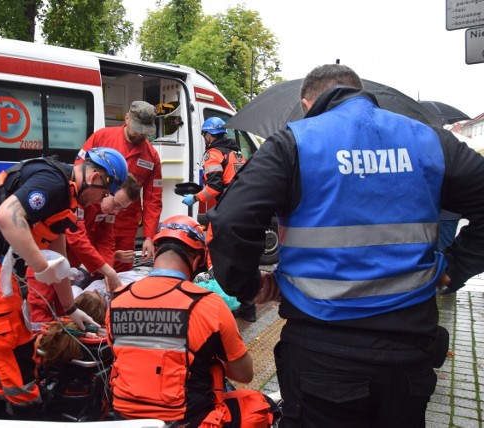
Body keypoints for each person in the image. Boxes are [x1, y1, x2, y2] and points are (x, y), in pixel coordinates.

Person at [207, 64, 484, 427]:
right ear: (360, 91)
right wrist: (455, 268)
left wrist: (249, 287)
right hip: (408, 347)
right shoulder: (429, 140)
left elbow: (230, 220)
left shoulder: (294, 142)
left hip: (321, 351)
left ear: (308, 103)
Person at [0, 147, 128, 420]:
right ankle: (27, 410)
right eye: (105, 193)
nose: (101, 201)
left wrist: (71, 308)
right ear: (97, 177)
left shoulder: (65, 199)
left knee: (5, 338)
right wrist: (40, 265)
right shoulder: (52, 181)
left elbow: (60, 262)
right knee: (13, 343)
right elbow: (6, 216)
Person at [107, 215, 275, 427]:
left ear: (156, 253)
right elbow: (244, 374)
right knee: (258, 407)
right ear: (197, 261)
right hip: (187, 419)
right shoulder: (209, 305)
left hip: (124, 418)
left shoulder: (117, 299)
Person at [25, 174, 140, 327]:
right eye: (116, 204)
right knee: (41, 304)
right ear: (108, 190)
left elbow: (106, 240)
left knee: (67, 311)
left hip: (69, 266)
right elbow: (77, 239)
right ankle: (38, 344)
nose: (116, 211)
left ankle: (64, 345)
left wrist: (107, 270)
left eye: (121, 208)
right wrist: (108, 271)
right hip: (46, 258)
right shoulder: (81, 200)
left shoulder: (108, 211)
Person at [76, 101, 163, 271]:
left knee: (121, 272)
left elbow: (153, 199)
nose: (141, 135)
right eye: (138, 129)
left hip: (126, 224)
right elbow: (80, 172)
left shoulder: (151, 156)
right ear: (127, 118)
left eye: (145, 131)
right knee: (87, 263)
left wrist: (149, 237)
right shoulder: (102, 138)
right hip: (93, 217)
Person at [181, 116, 253, 322]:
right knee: (242, 257)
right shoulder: (238, 153)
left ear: (209, 135)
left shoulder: (213, 153)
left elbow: (214, 188)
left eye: (205, 135)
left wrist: (194, 198)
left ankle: (221, 305)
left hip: (226, 210)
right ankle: (248, 308)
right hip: (244, 209)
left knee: (216, 253)